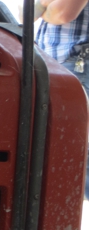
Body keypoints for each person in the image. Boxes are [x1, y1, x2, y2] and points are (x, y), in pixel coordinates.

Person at [35, 0, 89, 200]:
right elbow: (27, 13)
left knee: (70, 154)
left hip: (77, 64)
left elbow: (63, 13)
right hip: (62, 66)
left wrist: (44, 7)